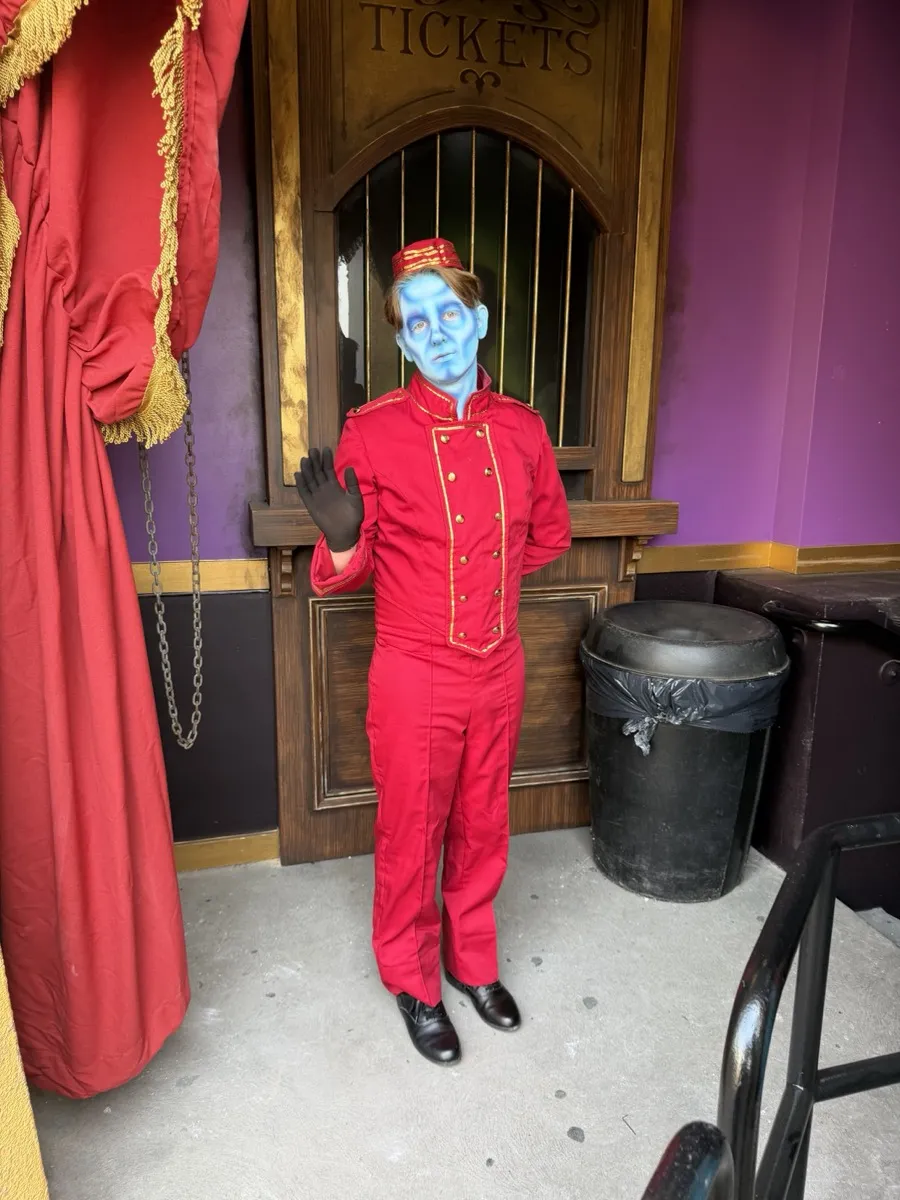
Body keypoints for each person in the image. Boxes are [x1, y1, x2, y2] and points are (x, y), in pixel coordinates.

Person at [296, 238, 571, 1065]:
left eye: (450, 312)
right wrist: (348, 541)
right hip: (414, 673)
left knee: (485, 822)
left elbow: (544, 537)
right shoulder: (372, 434)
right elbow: (339, 575)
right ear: (403, 343)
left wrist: (478, 583)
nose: (438, 332)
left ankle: (474, 962)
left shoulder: (524, 431)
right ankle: (414, 983)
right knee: (412, 832)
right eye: (417, 323)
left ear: (478, 320)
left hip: (500, 664)